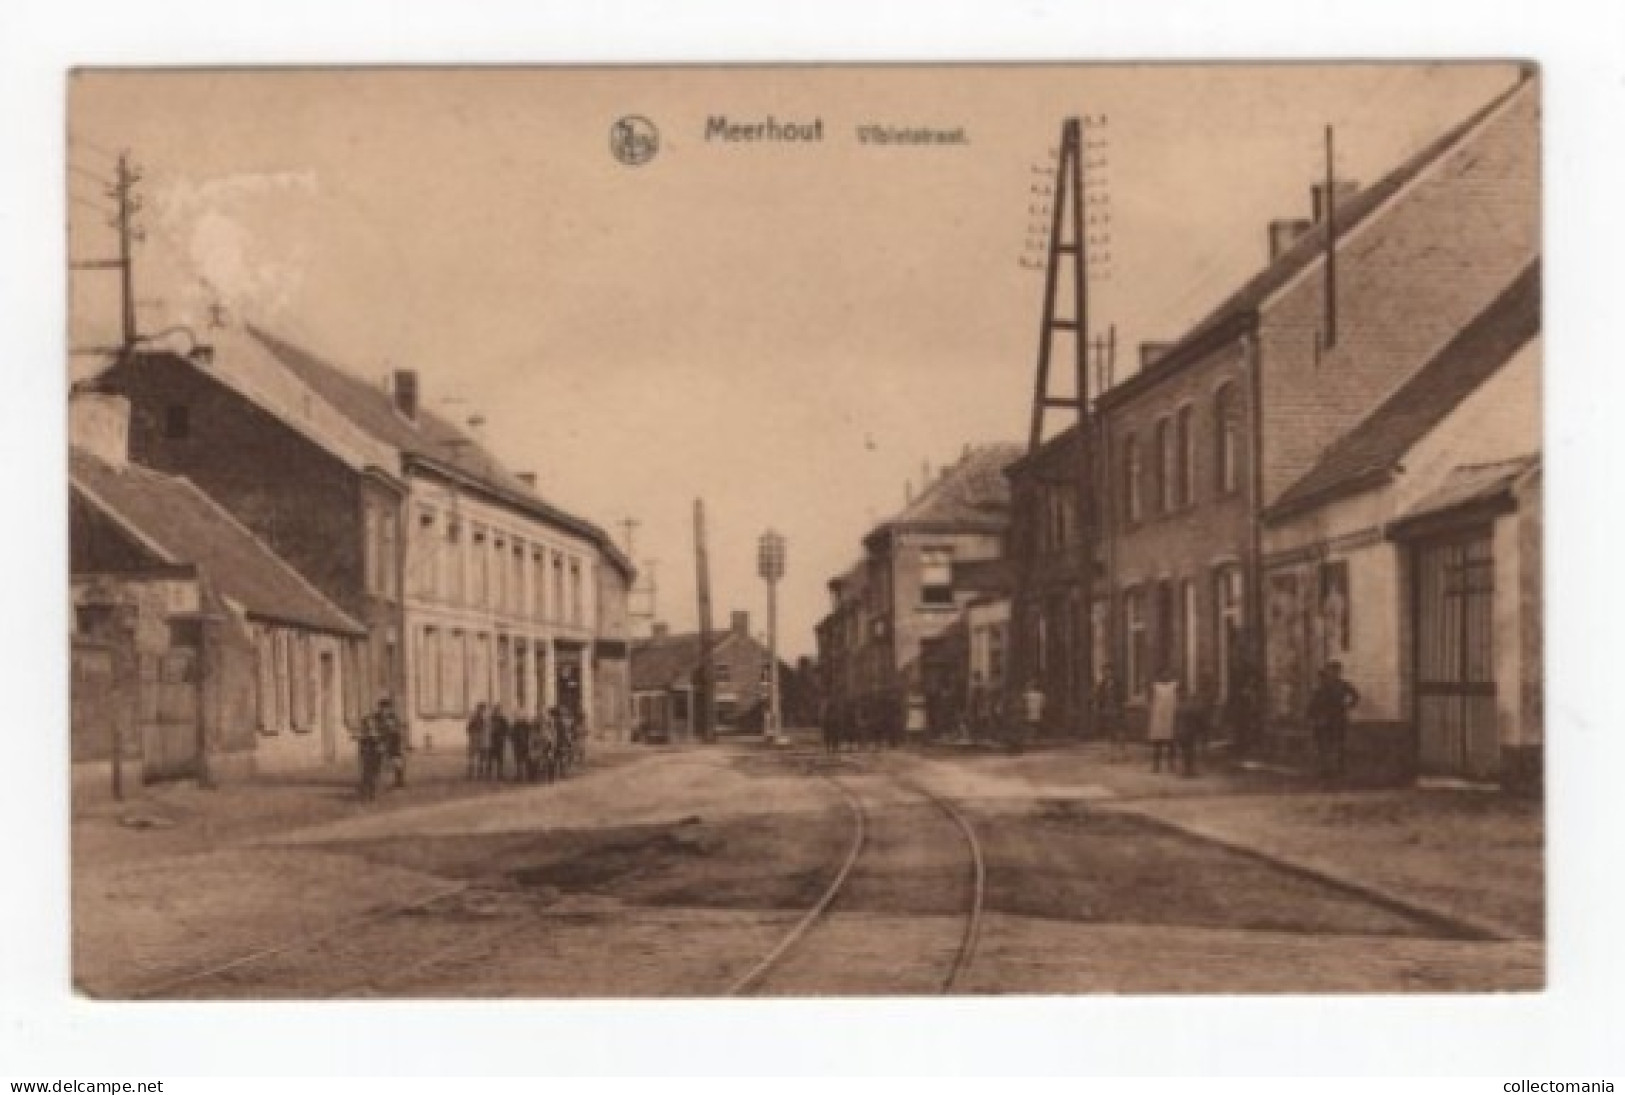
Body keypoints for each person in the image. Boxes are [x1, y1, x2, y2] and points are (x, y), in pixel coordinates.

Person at [1307, 660, 1360, 780]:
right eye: (1330, 670)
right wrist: (1312, 716)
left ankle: (1339, 767)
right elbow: (1314, 702)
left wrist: (1348, 706)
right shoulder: (1322, 686)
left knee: (1339, 743)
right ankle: (1325, 768)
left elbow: (1355, 695)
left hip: (1338, 718)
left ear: (1339, 672)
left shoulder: (1342, 685)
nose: (1332, 673)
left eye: (1335, 671)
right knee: (1324, 744)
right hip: (1324, 719)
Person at [1176, 674, 1216, 778]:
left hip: (1182, 732)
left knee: (1186, 751)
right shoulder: (1189, 707)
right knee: (1189, 751)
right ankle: (1188, 771)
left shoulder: (1180, 706)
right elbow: (1198, 718)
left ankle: (1187, 770)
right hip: (1188, 732)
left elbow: (1177, 720)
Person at [1146, 667, 1180, 773]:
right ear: (1159, 676)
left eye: (1168, 673)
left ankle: (1171, 764)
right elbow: (1150, 701)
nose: (1166, 676)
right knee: (1158, 742)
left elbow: (1178, 699)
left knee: (1171, 742)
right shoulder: (1155, 687)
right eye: (1163, 674)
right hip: (1158, 716)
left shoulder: (1174, 686)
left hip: (1171, 715)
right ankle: (1156, 765)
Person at [370, 696, 406, 790]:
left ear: (389, 709)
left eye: (386, 708)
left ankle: (399, 780)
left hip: (394, 741)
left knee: (397, 760)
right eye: (382, 708)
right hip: (382, 740)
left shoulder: (393, 717)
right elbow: (373, 729)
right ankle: (376, 780)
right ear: (380, 708)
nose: (384, 711)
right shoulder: (375, 718)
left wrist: (396, 731)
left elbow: (398, 729)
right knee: (378, 757)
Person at [1094, 663, 1127, 761]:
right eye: (1105, 672)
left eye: (1108, 671)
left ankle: (1122, 752)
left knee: (1120, 732)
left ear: (1112, 672)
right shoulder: (1102, 684)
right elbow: (1099, 697)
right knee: (1109, 732)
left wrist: (1120, 706)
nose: (1107, 673)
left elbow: (1122, 696)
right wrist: (1100, 707)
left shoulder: (1118, 683)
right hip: (1107, 710)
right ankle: (1111, 754)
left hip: (1117, 709)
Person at [354, 709, 384, 802]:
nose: (369, 727)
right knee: (367, 775)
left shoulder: (377, 734)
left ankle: (372, 794)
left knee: (374, 775)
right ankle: (366, 794)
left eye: (371, 725)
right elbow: (362, 746)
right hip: (368, 756)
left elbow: (380, 744)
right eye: (367, 725)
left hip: (376, 756)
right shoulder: (365, 735)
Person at [1017, 678, 1044, 753]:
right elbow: (1043, 705)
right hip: (1037, 711)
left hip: (1029, 711)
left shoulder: (1027, 694)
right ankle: (1034, 737)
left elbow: (1022, 701)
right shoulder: (1041, 695)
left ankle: (1031, 738)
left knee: (1030, 725)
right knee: (1035, 725)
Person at [465, 702, 489, 780]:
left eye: (483, 709)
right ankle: (470, 773)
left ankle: (480, 774)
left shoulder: (486, 718)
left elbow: (487, 729)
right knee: (472, 756)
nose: (481, 711)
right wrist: (472, 735)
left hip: (482, 738)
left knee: (482, 757)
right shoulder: (473, 717)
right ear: (477, 709)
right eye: (480, 709)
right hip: (474, 738)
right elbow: (468, 728)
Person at [488, 703, 510, 781]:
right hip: (491, 741)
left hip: (500, 741)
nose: (497, 712)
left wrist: (503, 736)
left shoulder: (503, 720)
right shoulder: (490, 719)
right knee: (490, 757)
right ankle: (488, 774)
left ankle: (500, 773)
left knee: (500, 758)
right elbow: (487, 729)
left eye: (498, 710)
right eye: (496, 710)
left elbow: (507, 729)